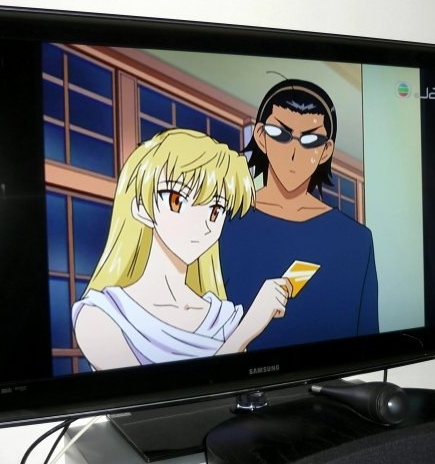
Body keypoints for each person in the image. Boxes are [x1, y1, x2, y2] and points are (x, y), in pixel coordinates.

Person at [72, 128, 292, 370]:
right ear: (141, 208)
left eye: (216, 210)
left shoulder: (221, 316)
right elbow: (151, 392)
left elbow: (233, 388)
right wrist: (247, 329)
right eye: (178, 200)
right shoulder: (99, 315)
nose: (203, 223)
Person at [219, 79, 379, 350]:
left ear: (326, 150)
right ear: (261, 136)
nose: (294, 153)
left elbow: (368, 347)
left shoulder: (356, 241)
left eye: (311, 140)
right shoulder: (220, 225)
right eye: (280, 134)